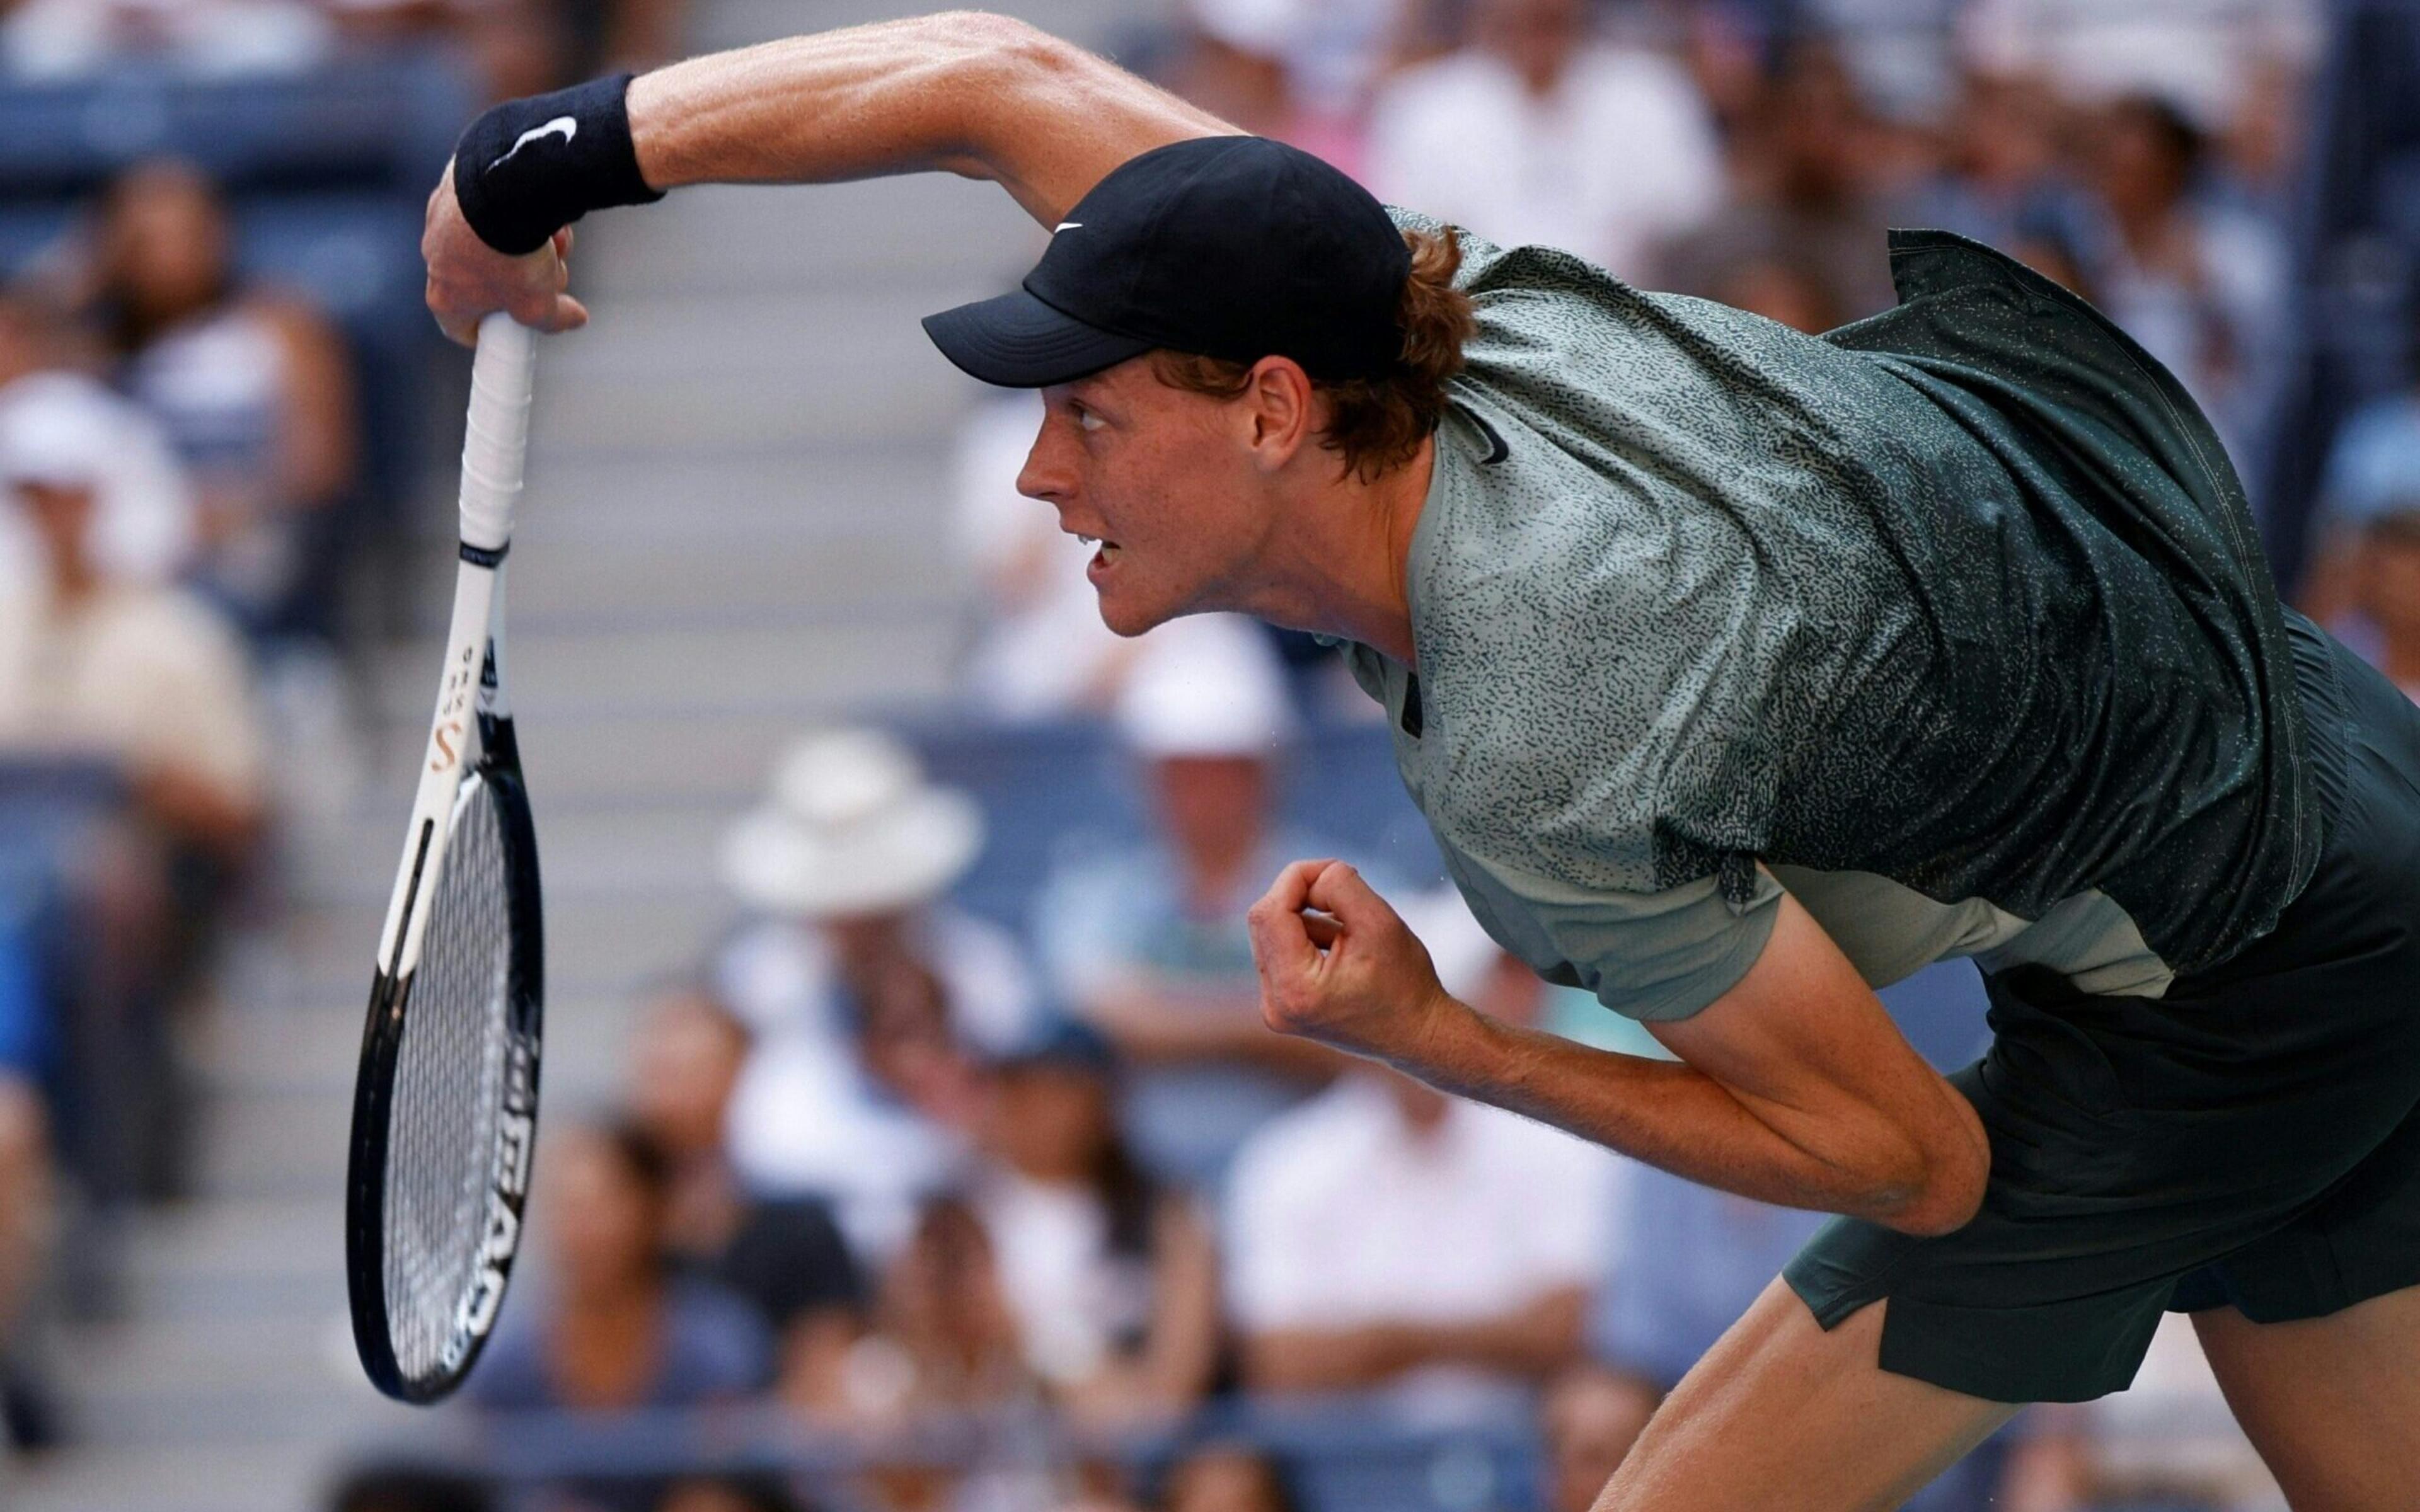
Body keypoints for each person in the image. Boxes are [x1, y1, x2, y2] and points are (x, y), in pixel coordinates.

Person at [422, 20, 2420, 1509]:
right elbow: (994, 79)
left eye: (1091, 418)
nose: (1039, 471)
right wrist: (547, 155)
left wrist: (1436, 1036)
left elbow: (1917, 1160)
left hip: (2229, 960)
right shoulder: (1431, 303)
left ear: (1271, 407)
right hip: (2330, 761)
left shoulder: (1549, 727)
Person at [1225, 889, 1619, 1420]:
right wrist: (1484, 1338)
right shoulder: (1287, 1160)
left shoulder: (1563, 1139)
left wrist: (1384, 1343)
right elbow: (1278, 1365)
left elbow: (1570, 1327)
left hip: (1520, 1448)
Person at [1035, 613, 1355, 1188]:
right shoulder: (1097, 890)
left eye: (1221, 771)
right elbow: (1098, 1015)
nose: (1199, 795)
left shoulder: (1337, 884)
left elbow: (1362, 1035)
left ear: (1262, 773)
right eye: (1180, 773)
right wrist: (1275, 1021)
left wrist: (1171, 1020)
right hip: (1139, 1195)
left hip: (1310, 1186)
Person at [714, 727, 1039, 1261]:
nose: (856, 919)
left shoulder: (986, 975)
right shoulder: (752, 981)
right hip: (794, 1253)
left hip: (955, 1244)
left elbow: (1016, 1136)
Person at [81, 159, 357, 641]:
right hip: (130, 556)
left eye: (182, 233)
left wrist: (223, 512)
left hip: (249, 549)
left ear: (219, 233)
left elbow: (320, 468)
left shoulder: (279, 325)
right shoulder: (96, 350)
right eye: (143, 238)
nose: (167, 254)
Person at [1364, 0, 1722, 284]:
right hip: (1474, 333)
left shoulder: (1655, 91)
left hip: (1633, 323)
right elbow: (1408, 237)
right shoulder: (1419, 104)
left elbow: (1692, 215)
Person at [967, 1020, 1218, 1423]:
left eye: (1056, 1087)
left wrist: (1045, 1343)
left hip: (1125, 1468)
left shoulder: (1169, 1219)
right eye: (1018, 1085)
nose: (1031, 1105)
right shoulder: (960, 1216)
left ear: (1104, 1100)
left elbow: (1165, 1404)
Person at [623, 985, 863, 1404]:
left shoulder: (804, 1232)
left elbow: (824, 1393)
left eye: (690, 1068)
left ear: (741, 1070)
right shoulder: (615, 1237)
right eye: (658, 1068)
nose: (671, 1089)